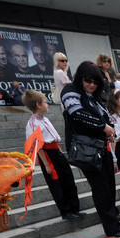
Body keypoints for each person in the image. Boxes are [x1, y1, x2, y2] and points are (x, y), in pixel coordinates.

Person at [61, 60, 120, 238]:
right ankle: (111, 227)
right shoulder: (70, 91)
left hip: (100, 146)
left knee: (110, 185)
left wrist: (109, 128)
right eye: (88, 80)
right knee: (101, 187)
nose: (91, 84)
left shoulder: (93, 96)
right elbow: (76, 113)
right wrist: (103, 126)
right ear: (80, 78)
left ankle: (115, 223)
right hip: (86, 148)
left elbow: (103, 115)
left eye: (94, 81)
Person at [23, 89, 82, 221]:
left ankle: (75, 208)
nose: (47, 104)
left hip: (56, 151)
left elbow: (54, 138)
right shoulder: (32, 124)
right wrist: (46, 164)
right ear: (38, 105)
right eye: (44, 102)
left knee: (68, 181)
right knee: (57, 184)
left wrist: (60, 152)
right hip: (47, 155)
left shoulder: (45, 120)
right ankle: (66, 211)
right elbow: (37, 145)